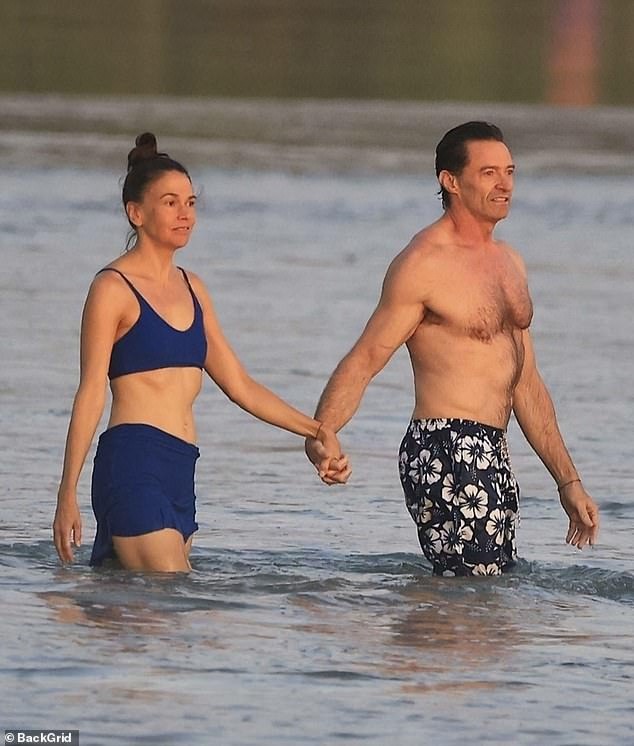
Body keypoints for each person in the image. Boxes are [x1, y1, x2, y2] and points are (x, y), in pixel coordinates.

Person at [305, 121, 599, 577]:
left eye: (509, 172)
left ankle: (423, 622)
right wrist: (321, 435)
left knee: (486, 596)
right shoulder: (423, 264)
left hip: (493, 449)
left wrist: (568, 481)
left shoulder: (510, 263)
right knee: (473, 594)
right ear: (451, 181)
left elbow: (526, 383)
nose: (504, 184)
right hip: (445, 446)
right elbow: (365, 360)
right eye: (488, 173)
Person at [53, 132, 349, 572]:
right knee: (174, 592)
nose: (185, 214)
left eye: (191, 203)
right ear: (136, 213)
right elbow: (91, 392)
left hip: (181, 468)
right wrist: (67, 492)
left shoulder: (194, 288)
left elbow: (240, 385)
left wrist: (317, 430)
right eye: (170, 202)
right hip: (134, 460)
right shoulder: (112, 289)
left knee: (137, 607)